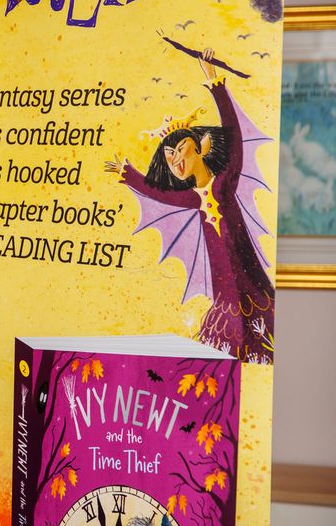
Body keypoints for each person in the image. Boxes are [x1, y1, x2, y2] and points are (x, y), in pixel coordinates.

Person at [105, 49, 274, 364]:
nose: (177, 162)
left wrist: (215, 82)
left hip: (255, 289)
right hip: (225, 302)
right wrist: (127, 173)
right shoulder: (189, 199)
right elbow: (156, 192)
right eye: (170, 159)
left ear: (201, 148)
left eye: (182, 150)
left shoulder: (224, 183)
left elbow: (235, 137)